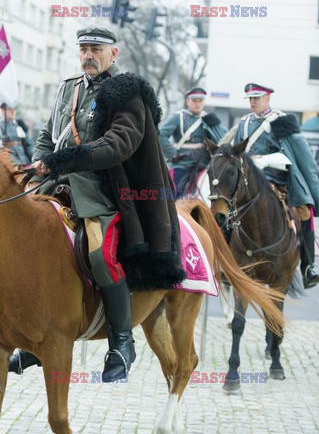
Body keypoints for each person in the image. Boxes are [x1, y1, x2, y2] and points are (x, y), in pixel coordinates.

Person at [8, 24, 185, 381]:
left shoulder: (126, 93)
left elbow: (118, 144)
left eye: (96, 49)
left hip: (102, 190)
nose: (88, 55)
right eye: (84, 48)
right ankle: (39, 333)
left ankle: (122, 340)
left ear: (112, 54)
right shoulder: (68, 88)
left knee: (100, 253)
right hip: (55, 184)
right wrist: (40, 164)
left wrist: (63, 161)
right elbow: (47, 134)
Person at [234, 82, 319, 289]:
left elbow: (302, 156)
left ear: (268, 98)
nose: (253, 102)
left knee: (304, 213)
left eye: (257, 98)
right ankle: (226, 261)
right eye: (251, 99)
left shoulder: (282, 120)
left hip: (278, 180)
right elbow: (236, 153)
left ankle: (308, 267)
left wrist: (267, 160)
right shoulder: (243, 123)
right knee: (225, 211)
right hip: (250, 181)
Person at [159, 87, 227, 198]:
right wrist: (172, 154)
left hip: (205, 165)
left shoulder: (208, 118)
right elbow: (160, 134)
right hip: (182, 163)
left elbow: (224, 139)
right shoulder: (178, 117)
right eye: (194, 100)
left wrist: (217, 125)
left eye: (200, 101)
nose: (197, 104)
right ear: (188, 101)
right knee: (172, 194)